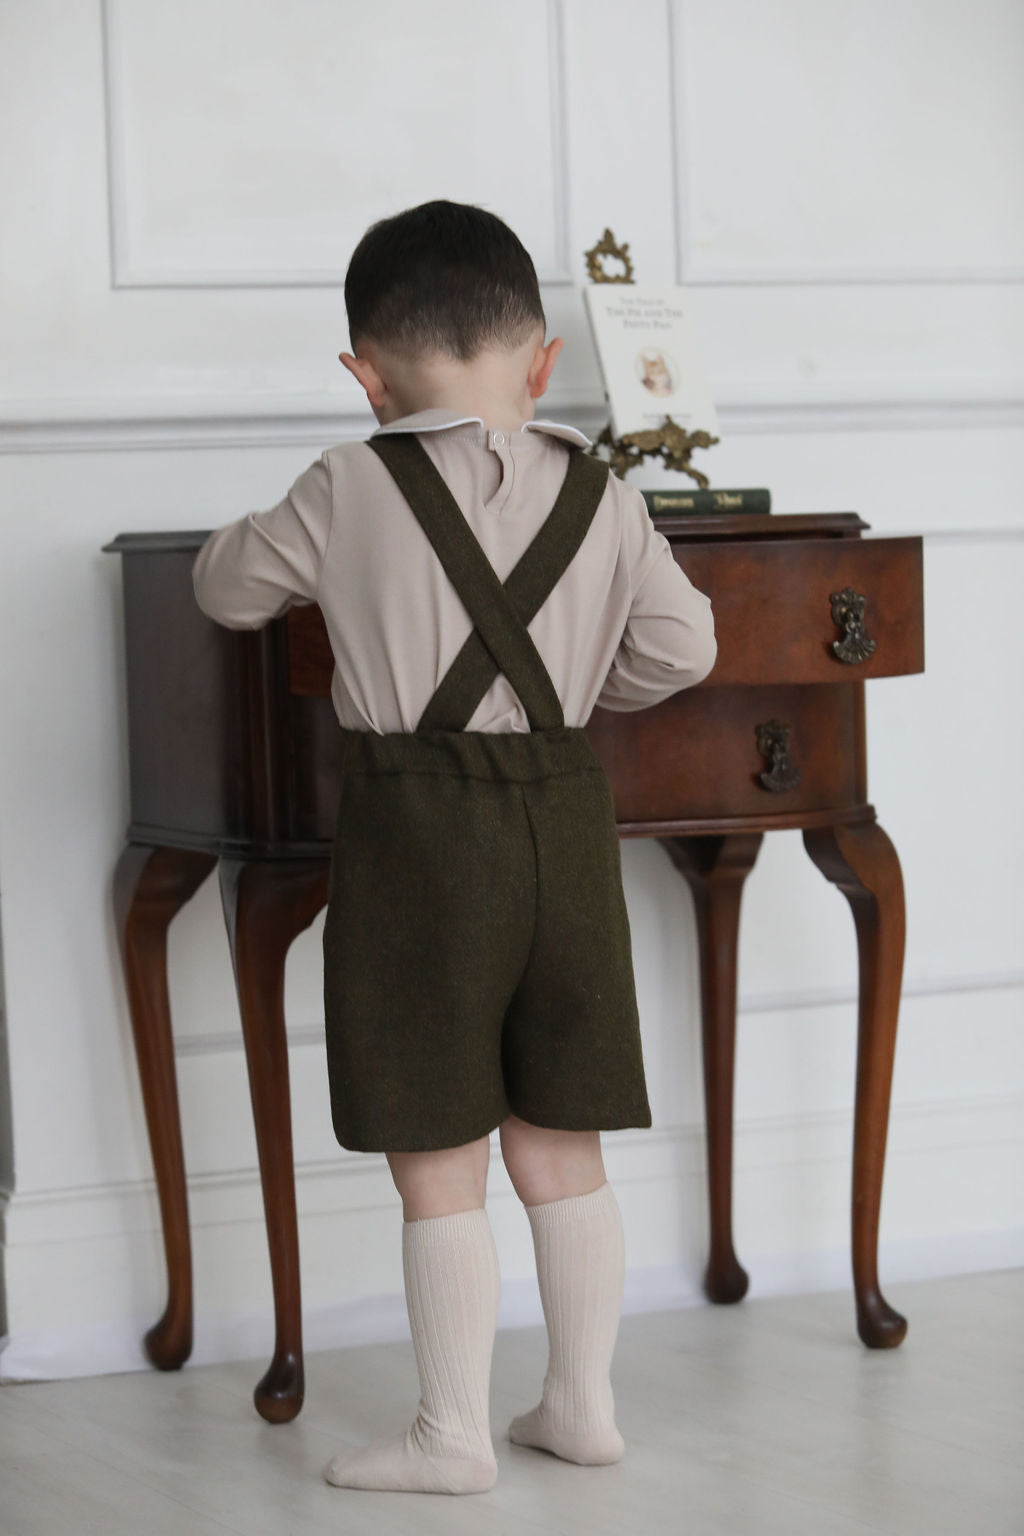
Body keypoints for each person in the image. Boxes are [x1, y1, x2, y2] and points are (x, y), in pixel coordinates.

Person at [192, 199, 716, 1497]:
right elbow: (685, 650)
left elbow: (223, 588)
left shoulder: (347, 481)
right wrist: (576, 682)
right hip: (563, 815)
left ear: (364, 376)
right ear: (543, 363)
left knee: (440, 1152)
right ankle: (582, 1404)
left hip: (418, 833)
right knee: (561, 1139)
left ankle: (451, 1437)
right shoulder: (601, 490)